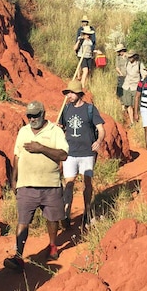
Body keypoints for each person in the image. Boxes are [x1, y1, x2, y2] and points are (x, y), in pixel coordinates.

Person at [4, 100, 69, 271]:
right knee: (23, 221)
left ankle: (53, 245)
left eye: (35, 115)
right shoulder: (23, 131)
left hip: (51, 184)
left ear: (43, 114)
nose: (32, 119)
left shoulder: (55, 131)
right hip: (27, 184)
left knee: (52, 219)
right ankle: (18, 256)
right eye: (29, 116)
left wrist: (41, 147)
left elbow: (63, 155)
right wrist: (14, 178)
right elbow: (17, 156)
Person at [58, 80, 105, 230]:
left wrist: (99, 140)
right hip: (70, 153)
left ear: (79, 93)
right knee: (69, 184)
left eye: (71, 93)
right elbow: (60, 127)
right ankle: (66, 213)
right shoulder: (65, 109)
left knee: (87, 184)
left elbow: (101, 128)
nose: (69, 96)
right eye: (67, 93)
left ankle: (87, 212)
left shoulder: (90, 109)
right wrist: (57, 129)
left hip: (86, 153)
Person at [121, 50, 146, 126]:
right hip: (127, 86)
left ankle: (138, 119)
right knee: (128, 104)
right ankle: (132, 122)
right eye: (129, 57)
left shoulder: (139, 64)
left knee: (136, 104)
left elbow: (144, 75)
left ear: (135, 56)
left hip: (135, 87)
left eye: (131, 56)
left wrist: (141, 84)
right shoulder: (127, 63)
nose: (130, 58)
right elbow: (125, 73)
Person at [114, 43, 128, 117]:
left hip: (128, 76)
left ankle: (128, 104)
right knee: (121, 91)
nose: (119, 53)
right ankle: (123, 105)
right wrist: (121, 73)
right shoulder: (118, 58)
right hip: (121, 76)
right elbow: (117, 67)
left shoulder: (127, 57)